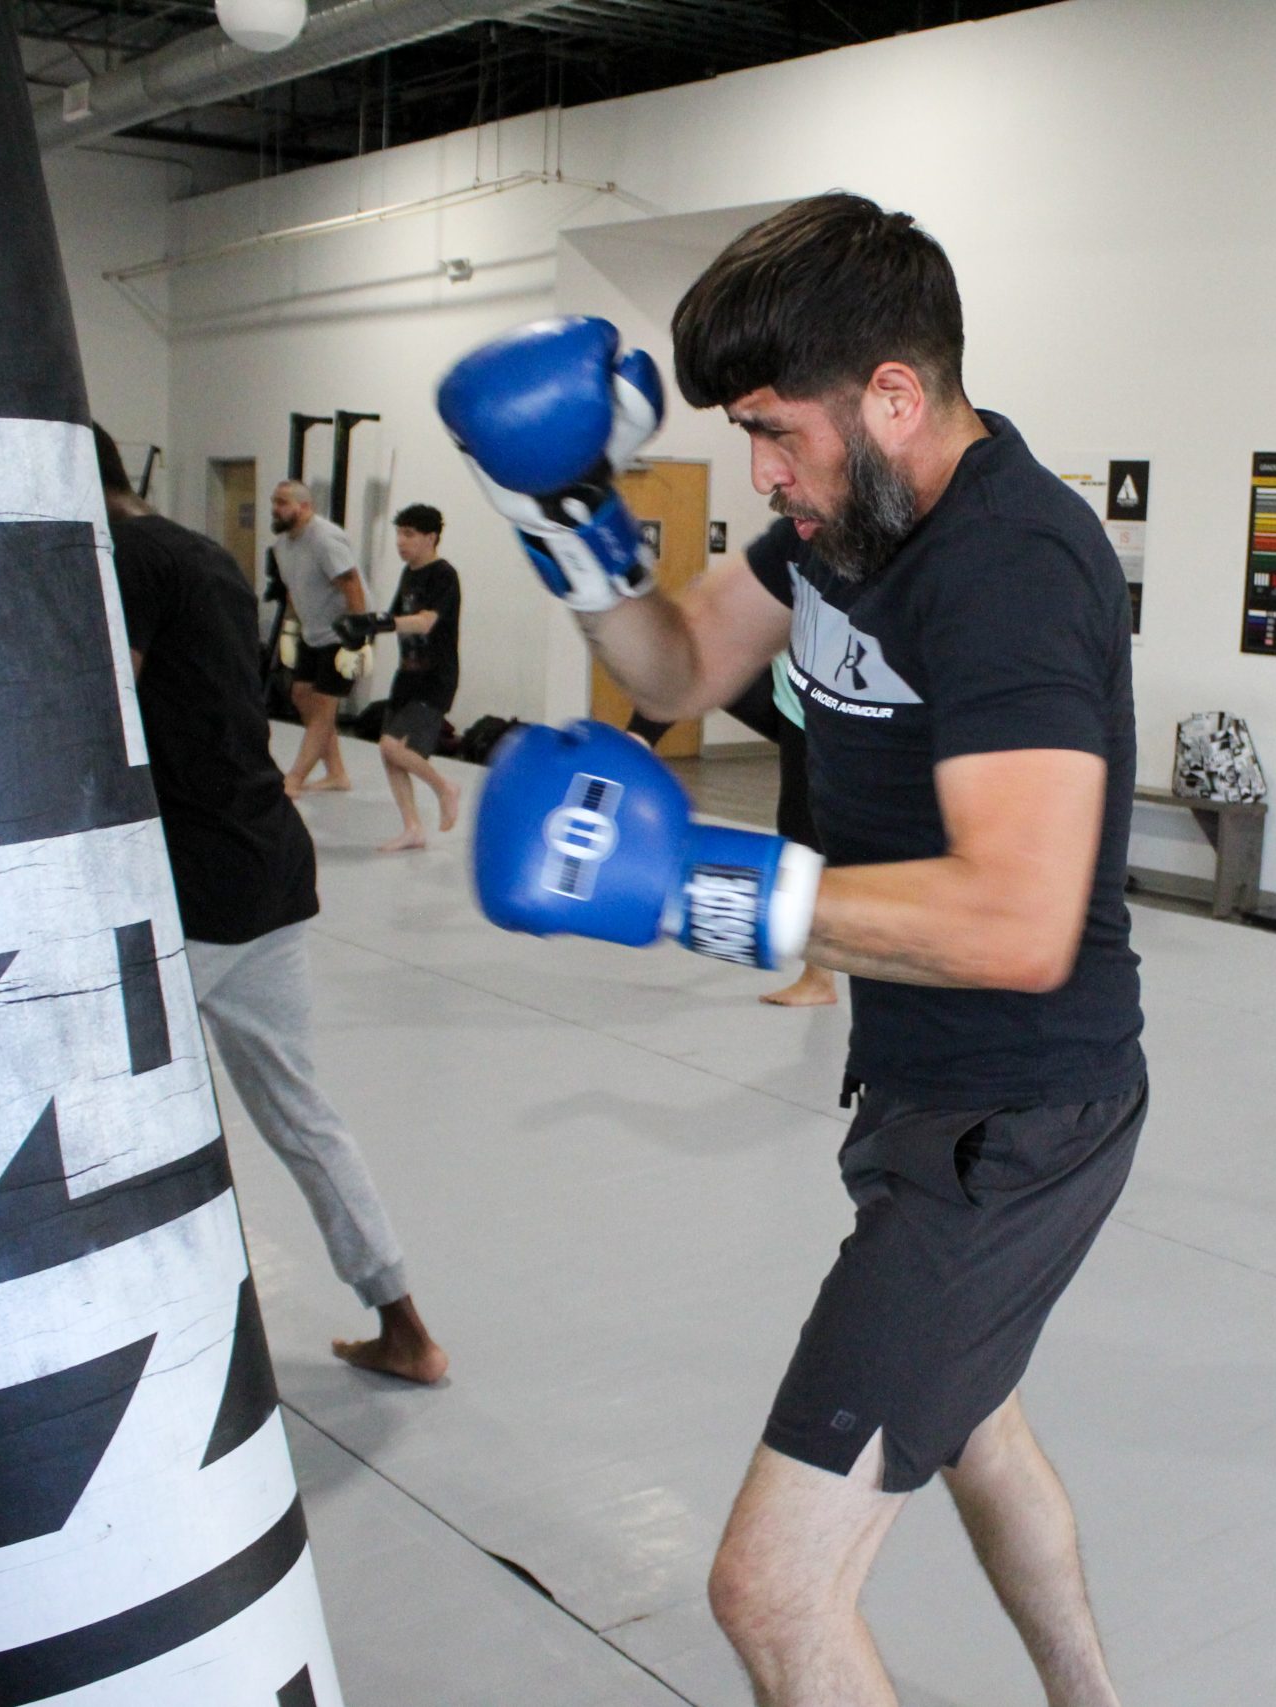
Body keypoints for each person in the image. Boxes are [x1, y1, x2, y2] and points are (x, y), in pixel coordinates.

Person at [443, 193, 1145, 1706]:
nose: (761, 471)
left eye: (775, 431)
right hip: (920, 1076)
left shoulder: (1011, 563)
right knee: (975, 1426)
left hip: (1021, 1113)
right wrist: (568, 527)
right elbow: (681, 661)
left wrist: (687, 882)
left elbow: (1019, 924)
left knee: (771, 1591)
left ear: (892, 395)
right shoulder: (843, 524)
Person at [98, 425, 449, 1386]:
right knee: (299, 1112)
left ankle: (141, 1334)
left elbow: (108, 703)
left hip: (194, 884)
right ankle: (406, 1328)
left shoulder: (124, 557)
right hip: (266, 859)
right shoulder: (204, 552)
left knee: (103, 1109)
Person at [627, 642, 835, 1008]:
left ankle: (824, 975)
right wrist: (638, 738)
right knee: (799, 832)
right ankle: (819, 977)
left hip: (846, 710)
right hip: (796, 696)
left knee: (811, 835)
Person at [337, 503, 463, 853]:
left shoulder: (443, 575)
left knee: (392, 747)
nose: (400, 542)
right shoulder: (409, 574)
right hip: (407, 675)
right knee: (390, 755)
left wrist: (379, 623)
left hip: (435, 677)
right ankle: (413, 828)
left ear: (431, 538)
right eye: (398, 533)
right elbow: (392, 618)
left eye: (409, 534)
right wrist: (360, 633)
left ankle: (445, 788)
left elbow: (424, 622)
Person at [267, 478, 369, 797]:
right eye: (274, 501)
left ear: (304, 506)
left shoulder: (325, 539)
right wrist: (290, 632)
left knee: (324, 707)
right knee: (301, 695)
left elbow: (351, 584)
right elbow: (294, 592)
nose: (275, 508)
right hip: (313, 633)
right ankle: (336, 773)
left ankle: (294, 778)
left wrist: (357, 639)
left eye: (283, 502)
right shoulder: (282, 546)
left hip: (341, 633)